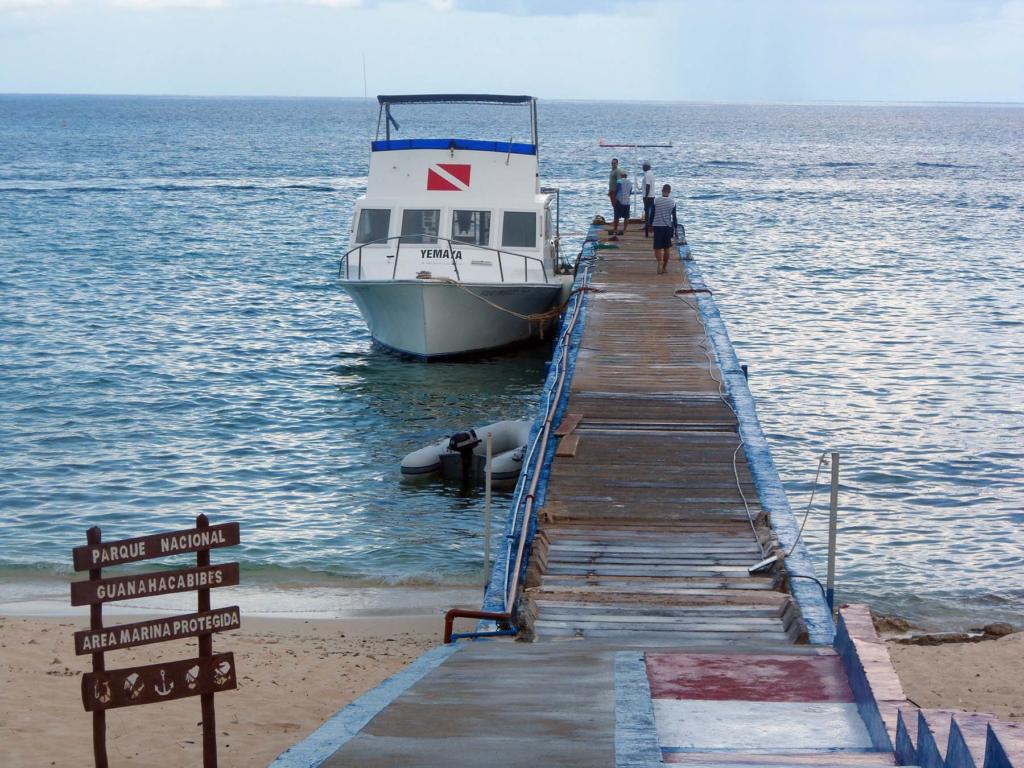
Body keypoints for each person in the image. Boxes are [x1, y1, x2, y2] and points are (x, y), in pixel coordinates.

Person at [650, 183, 678, 274]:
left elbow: (652, 214)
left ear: (662, 191)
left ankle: (659, 263)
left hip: (657, 226)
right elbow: (674, 218)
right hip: (667, 227)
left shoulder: (656, 201)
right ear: (669, 192)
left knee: (657, 247)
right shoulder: (672, 202)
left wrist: (650, 225)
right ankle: (664, 267)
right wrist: (676, 229)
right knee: (667, 248)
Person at [612, 169, 632, 237]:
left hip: (619, 201)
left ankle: (615, 229)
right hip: (627, 201)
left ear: (621, 175)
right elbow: (630, 192)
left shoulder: (619, 181)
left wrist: (614, 198)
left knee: (616, 216)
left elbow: (617, 190)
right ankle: (624, 230)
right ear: (626, 176)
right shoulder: (630, 182)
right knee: (626, 217)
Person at [641, 162, 656, 237]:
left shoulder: (647, 174)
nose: (642, 168)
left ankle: (647, 226)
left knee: (647, 211)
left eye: (643, 166)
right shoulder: (651, 173)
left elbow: (648, 185)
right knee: (651, 211)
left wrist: (646, 196)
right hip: (652, 195)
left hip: (648, 196)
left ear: (646, 167)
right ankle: (650, 225)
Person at [607, 158, 619, 224]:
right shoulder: (612, 171)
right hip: (611, 191)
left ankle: (616, 220)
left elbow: (619, 182)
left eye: (614, 163)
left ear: (617, 164)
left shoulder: (617, 171)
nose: (613, 164)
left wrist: (617, 192)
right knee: (614, 206)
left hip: (615, 192)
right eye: (612, 163)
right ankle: (615, 219)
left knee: (616, 206)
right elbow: (611, 182)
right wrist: (609, 190)